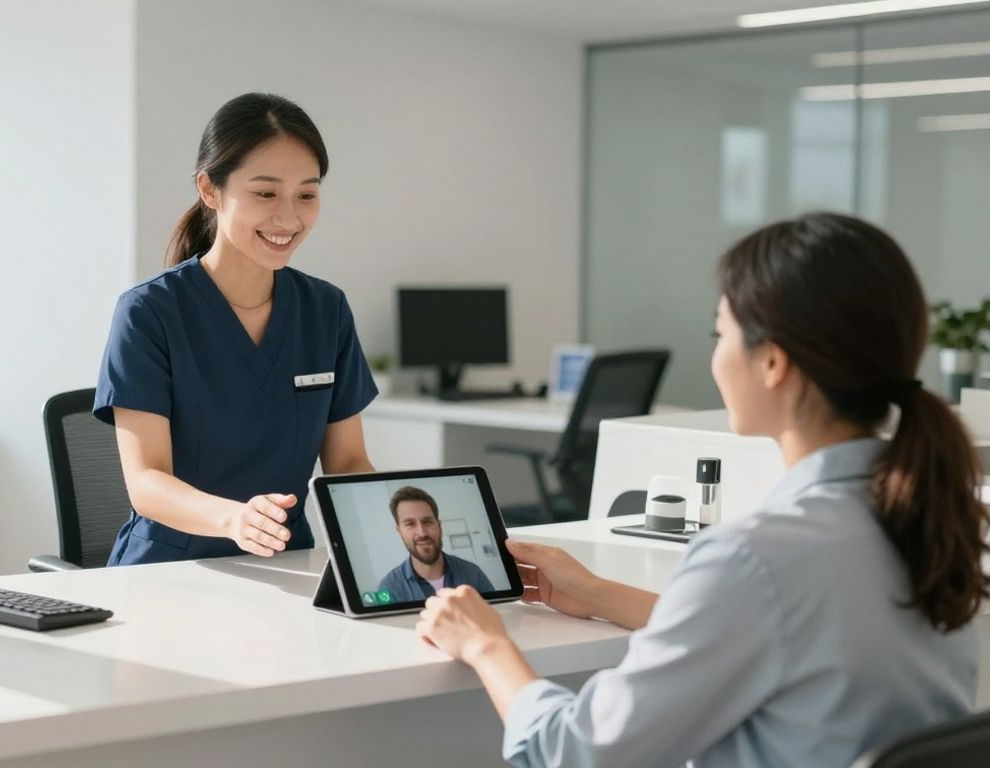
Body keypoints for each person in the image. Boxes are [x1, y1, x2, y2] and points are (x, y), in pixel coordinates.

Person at [414, 213, 987, 767]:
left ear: (772, 363)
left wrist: (485, 644)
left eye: (721, 333)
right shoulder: (938, 519)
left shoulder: (757, 557)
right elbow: (778, 633)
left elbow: (575, 752)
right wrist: (595, 593)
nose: (715, 356)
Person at [95, 93, 376, 566]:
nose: (288, 218)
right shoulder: (148, 312)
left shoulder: (325, 310)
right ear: (210, 189)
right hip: (168, 572)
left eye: (306, 194)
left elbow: (347, 462)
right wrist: (233, 520)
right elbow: (146, 480)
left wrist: (408, 522)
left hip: (287, 565)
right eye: (265, 193)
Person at [377, 486, 494, 602]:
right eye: (410, 524)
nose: (422, 533)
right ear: (399, 531)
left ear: (439, 527)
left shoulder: (473, 573)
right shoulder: (389, 588)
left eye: (427, 522)